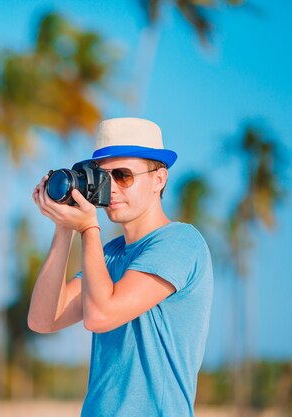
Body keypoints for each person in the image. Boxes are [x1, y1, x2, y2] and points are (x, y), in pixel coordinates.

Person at [28, 117, 213, 417]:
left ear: (159, 179)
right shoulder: (109, 255)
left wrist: (89, 228)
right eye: (103, 177)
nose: (110, 188)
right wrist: (64, 228)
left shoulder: (180, 242)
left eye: (123, 176)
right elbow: (43, 319)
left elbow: (100, 315)